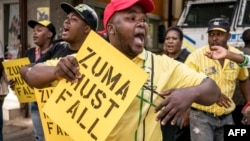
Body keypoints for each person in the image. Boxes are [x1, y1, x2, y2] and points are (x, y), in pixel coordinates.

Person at [20, 0, 221, 140]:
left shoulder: (162, 65)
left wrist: (190, 93)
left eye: (143, 19)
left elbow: (212, 90)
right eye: (131, 18)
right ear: (111, 29)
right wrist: (56, 72)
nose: (141, 24)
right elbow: (28, 74)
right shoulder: (85, 60)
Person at [184, 18, 250, 141]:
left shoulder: (236, 55)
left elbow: (244, 79)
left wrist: (248, 104)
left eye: (219, 34)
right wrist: (186, 110)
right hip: (201, 117)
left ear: (228, 36)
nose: (214, 38)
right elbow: (186, 84)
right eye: (211, 34)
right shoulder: (195, 57)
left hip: (227, 117)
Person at [20, 2, 98, 88]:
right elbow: (29, 73)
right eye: (67, 18)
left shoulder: (95, 55)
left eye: (74, 19)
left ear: (86, 28)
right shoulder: (58, 47)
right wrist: (56, 71)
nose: (66, 21)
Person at [25, 19, 56, 141]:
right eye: (34, 31)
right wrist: (16, 84)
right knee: (39, 137)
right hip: (35, 102)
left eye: (39, 30)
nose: (34, 33)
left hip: (54, 103)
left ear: (49, 34)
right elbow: (24, 75)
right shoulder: (29, 53)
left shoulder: (58, 51)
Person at [161, 26, 191, 141]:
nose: (170, 41)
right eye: (167, 38)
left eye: (174, 38)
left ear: (181, 42)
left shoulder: (189, 59)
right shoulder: (161, 59)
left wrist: (188, 111)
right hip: (165, 110)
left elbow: (195, 87)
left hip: (182, 111)